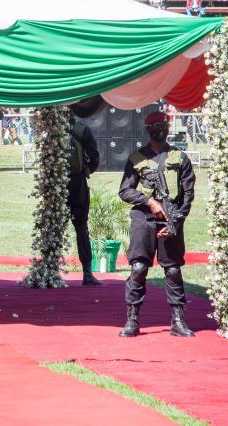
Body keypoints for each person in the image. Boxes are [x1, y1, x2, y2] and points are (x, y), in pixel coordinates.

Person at [118, 111, 196, 338]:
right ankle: (132, 319)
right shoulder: (136, 158)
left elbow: (188, 194)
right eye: (154, 127)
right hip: (143, 219)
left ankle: (178, 321)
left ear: (168, 128)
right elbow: (125, 190)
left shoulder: (180, 158)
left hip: (171, 219)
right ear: (147, 129)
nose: (159, 130)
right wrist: (149, 202)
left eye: (162, 126)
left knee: (172, 270)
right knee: (138, 268)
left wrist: (176, 221)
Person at [66, 116, 102, 285]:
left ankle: (49, 272)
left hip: (56, 183)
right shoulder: (82, 130)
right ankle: (87, 274)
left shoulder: (51, 129)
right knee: (81, 228)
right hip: (78, 183)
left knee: (53, 229)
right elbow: (94, 157)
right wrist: (87, 170)